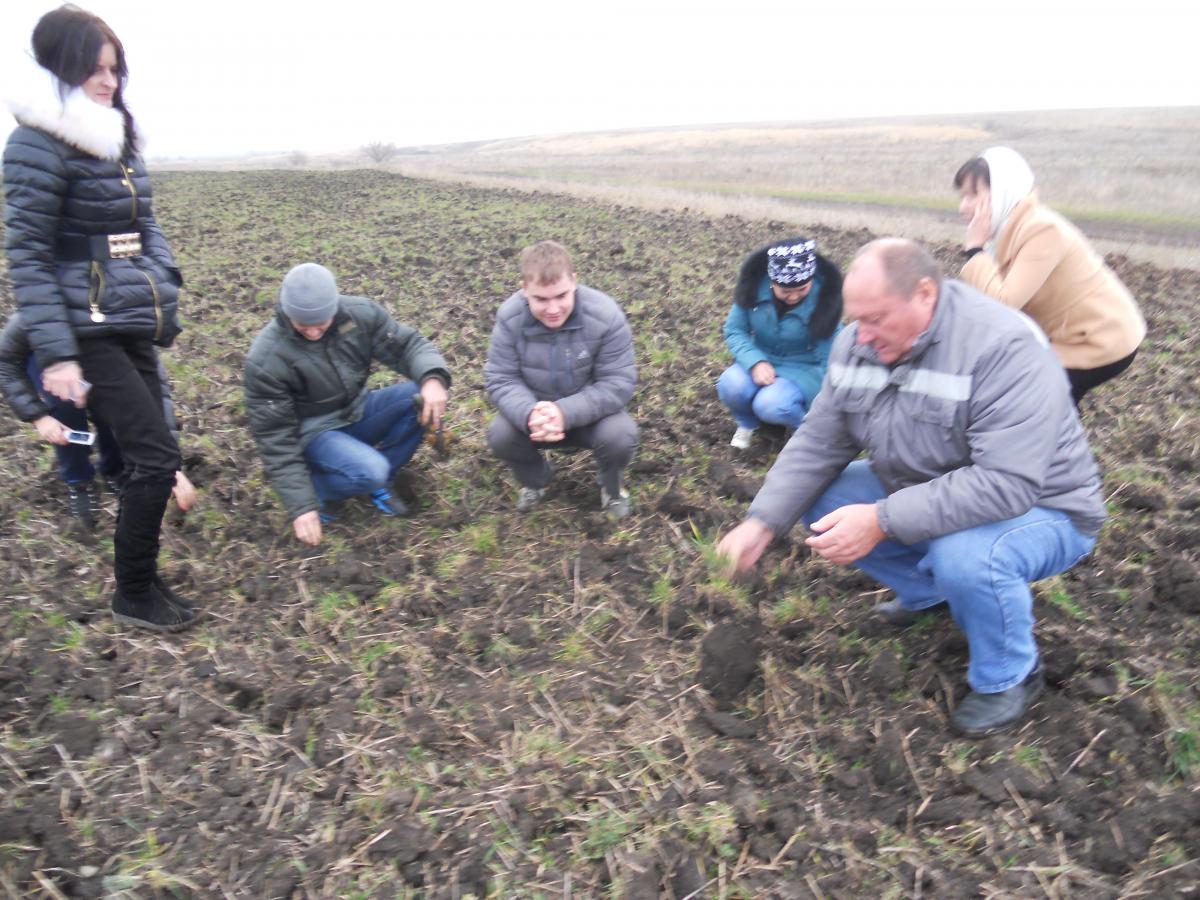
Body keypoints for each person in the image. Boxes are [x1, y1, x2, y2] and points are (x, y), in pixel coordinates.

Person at [717, 239, 1106, 737]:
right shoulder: (857, 344)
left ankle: (1009, 675)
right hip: (930, 483)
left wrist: (882, 519)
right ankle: (932, 593)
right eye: (856, 320)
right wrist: (761, 523)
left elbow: (1006, 484)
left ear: (925, 294)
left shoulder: (1002, 347)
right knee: (822, 496)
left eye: (876, 319)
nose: (862, 336)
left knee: (966, 554)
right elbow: (818, 441)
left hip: (1044, 508)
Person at [4, 6, 195, 631]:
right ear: (61, 66)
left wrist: (162, 274)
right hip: (84, 324)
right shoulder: (37, 143)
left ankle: (142, 582)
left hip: (127, 313)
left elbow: (148, 224)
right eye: (93, 67)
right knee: (156, 454)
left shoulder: (118, 139)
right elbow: (28, 257)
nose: (108, 80)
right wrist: (57, 356)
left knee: (155, 454)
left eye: (114, 68)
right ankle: (133, 592)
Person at [243, 262, 450, 546]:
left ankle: (381, 482)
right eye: (304, 326)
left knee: (418, 397)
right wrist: (301, 505)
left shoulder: (358, 316)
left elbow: (407, 345)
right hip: (314, 432)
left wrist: (433, 380)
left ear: (334, 309)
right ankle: (320, 490)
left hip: (357, 408)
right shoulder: (267, 359)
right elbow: (274, 437)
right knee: (370, 469)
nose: (314, 332)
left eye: (321, 324)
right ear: (287, 312)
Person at [954, 146, 1146, 405]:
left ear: (1001, 191)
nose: (963, 206)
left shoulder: (1041, 230)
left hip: (1098, 339)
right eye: (962, 196)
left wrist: (975, 250)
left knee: (1037, 398)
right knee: (1043, 401)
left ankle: (1059, 442)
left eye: (972, 195)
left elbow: (1004, 302)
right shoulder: (1003, 232)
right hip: (1066, 336)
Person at [0, 312, 196, 531]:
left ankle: (115, 469)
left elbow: (154, 398)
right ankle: (78, 480)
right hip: (47, 361)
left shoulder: (125, 324)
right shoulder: (35, 317)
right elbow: (6, 363)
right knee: (65, 413)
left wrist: (168, 465)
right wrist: (39, 417)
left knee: (114, 411)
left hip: (100, 361)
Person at [484, 240, 638, 518]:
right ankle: (535, 481)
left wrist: (564, 412)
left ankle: (612, 489)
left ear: (574, 282)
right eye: (540, 299)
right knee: (500, 434)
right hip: (535, 419)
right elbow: (501, 378)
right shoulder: (510, 317)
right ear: (525, 289)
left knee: (620, 436)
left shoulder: (605, 315)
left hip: (590, 418)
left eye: (561, 296)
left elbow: (617, 382)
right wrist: (529, 413)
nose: (552, 309)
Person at [717, 236, 843, 449]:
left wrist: (827, 405)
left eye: (802, 289)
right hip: (763, 357)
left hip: (805, 367)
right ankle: (748, 424)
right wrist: (755, 361)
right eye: (785, 291)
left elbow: (830, 356)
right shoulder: (752, 291)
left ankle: (805, 430)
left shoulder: (825, 302)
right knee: (730, 385)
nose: (794, 297)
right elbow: (734, 329)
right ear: (771, 281)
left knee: (771, 405)